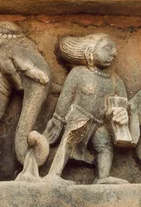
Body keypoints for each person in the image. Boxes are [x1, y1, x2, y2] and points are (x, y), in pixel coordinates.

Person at [43, 33, 129, 185]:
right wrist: (58, 119)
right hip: (79, 117)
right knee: (68, 142)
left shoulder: (116, 81)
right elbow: (66, 97)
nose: (114, 53)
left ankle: (102, 177)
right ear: (90, 52)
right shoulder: (78, 73)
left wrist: (122, 113)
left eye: (114, 49)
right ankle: (53, 174)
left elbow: (122, 104)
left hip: (100, 123)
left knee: (105, 146)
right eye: (107, 48)